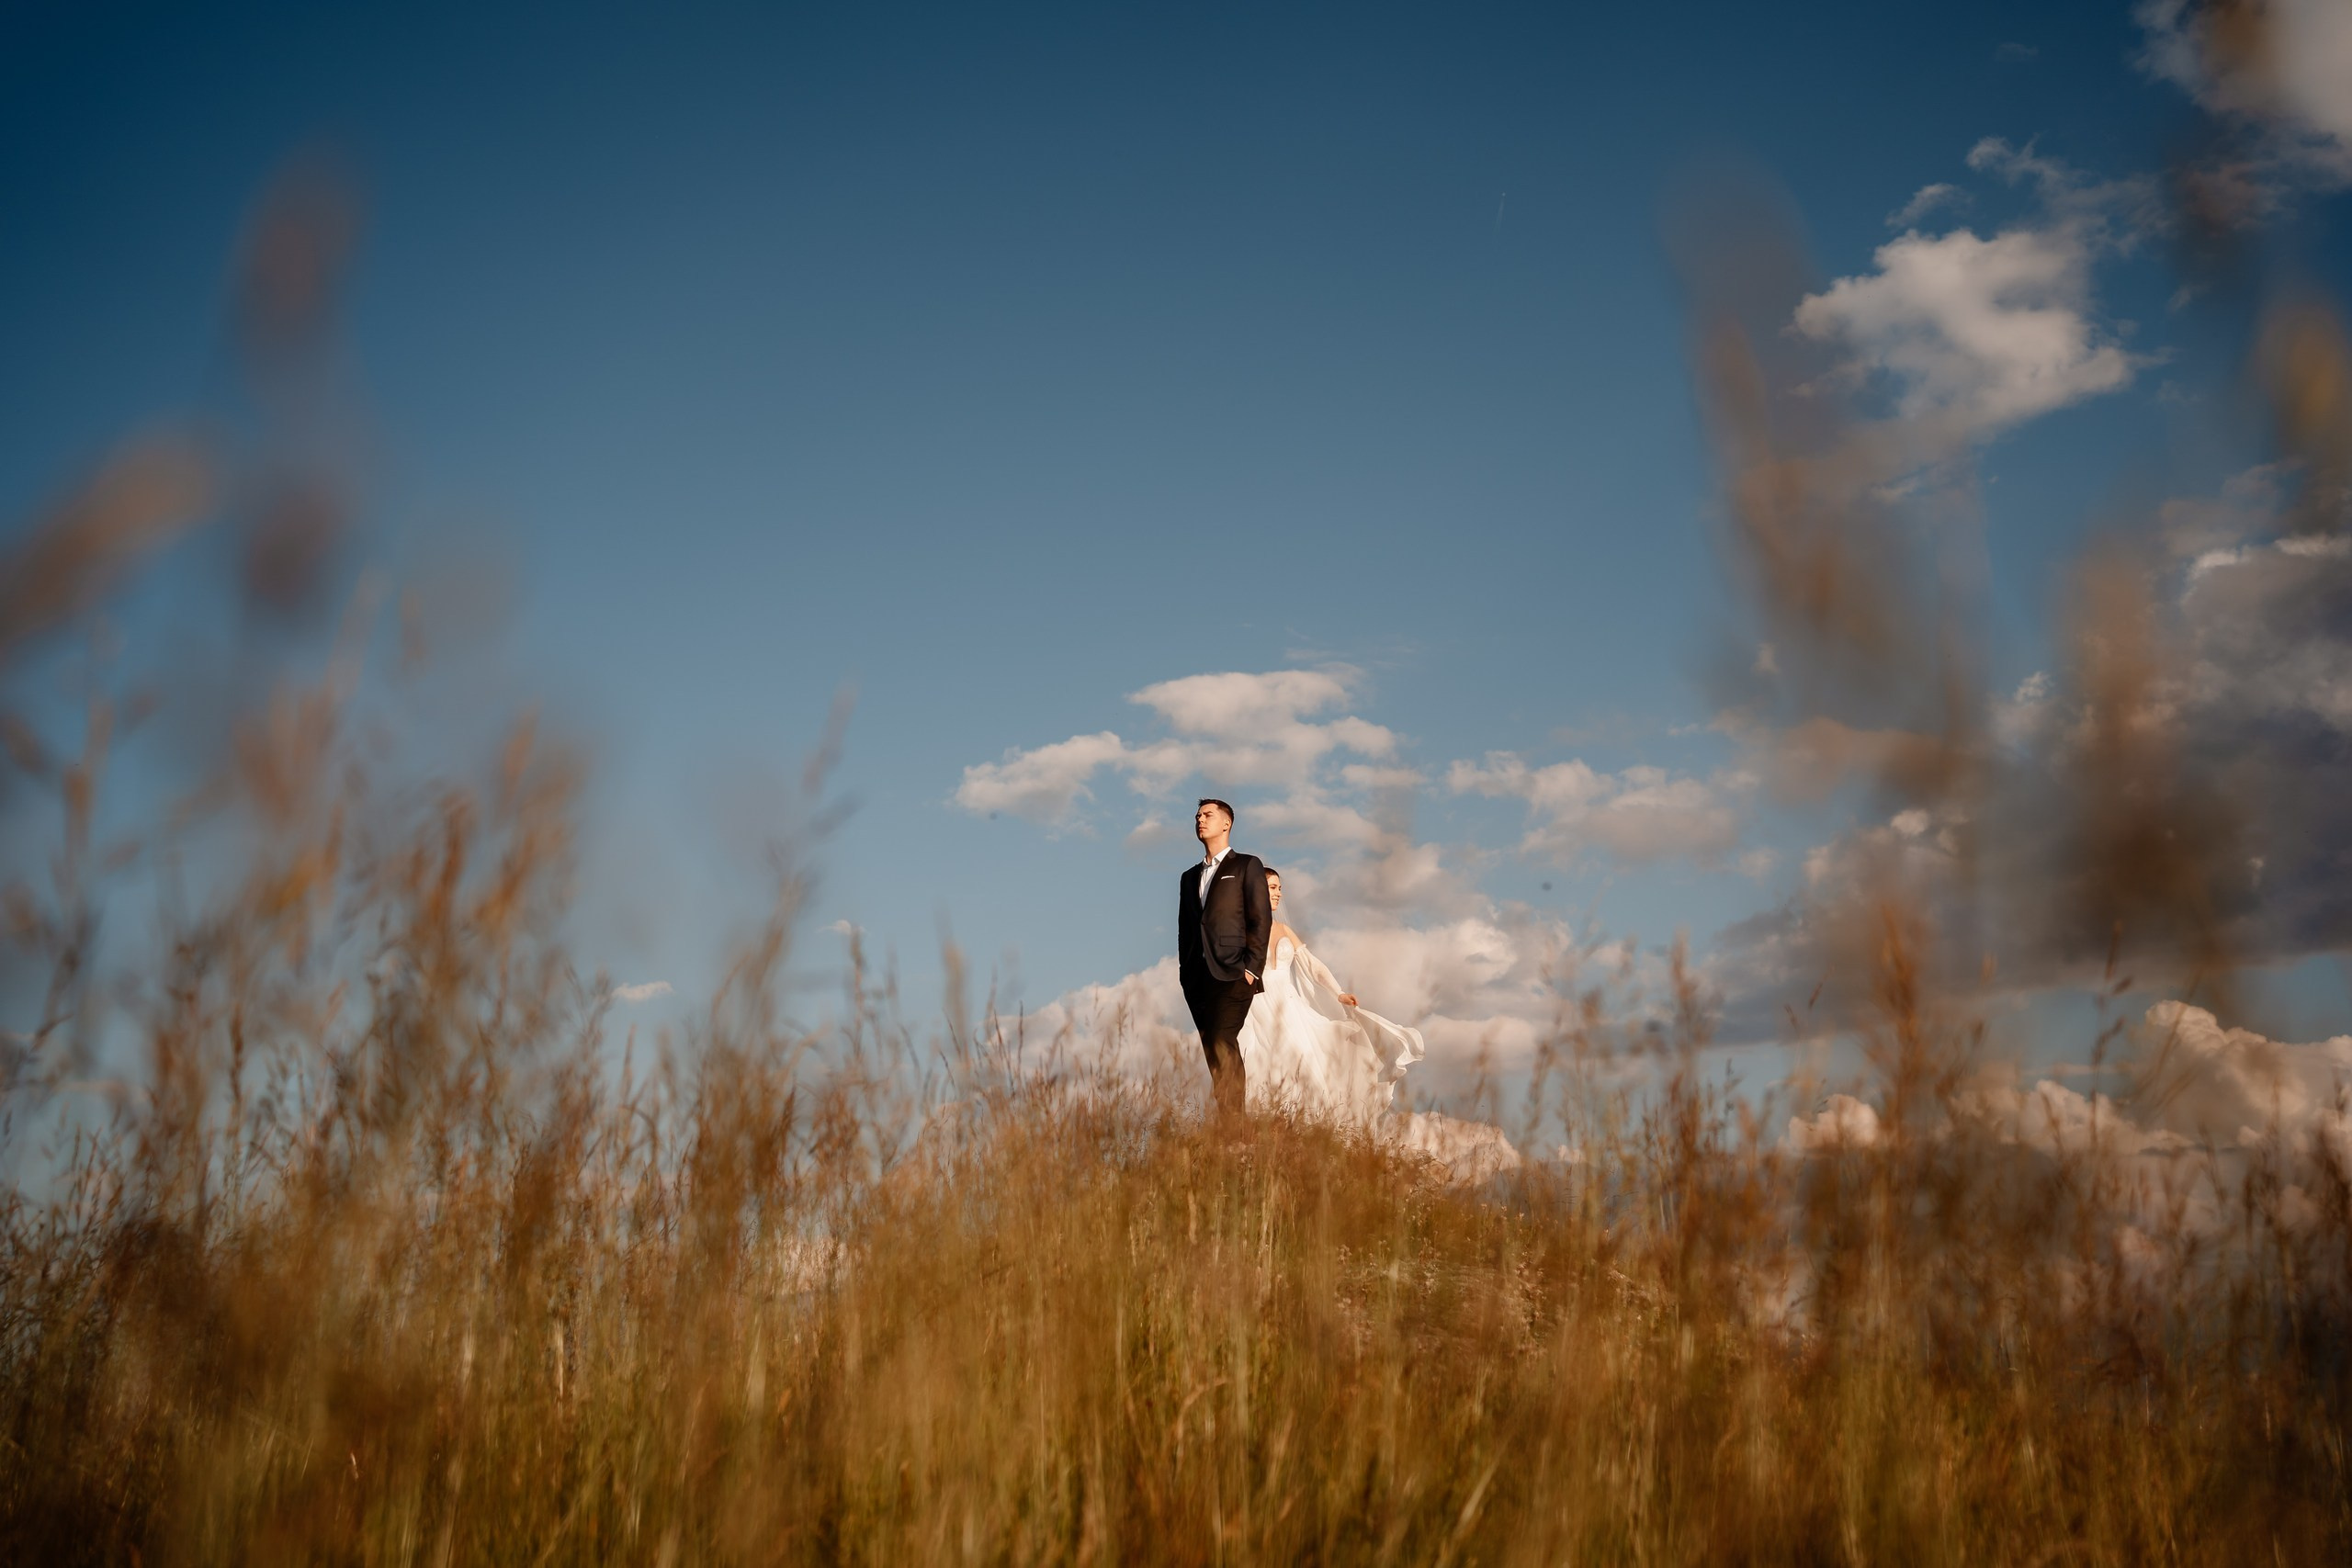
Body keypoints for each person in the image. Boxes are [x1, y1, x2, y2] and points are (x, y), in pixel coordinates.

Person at [1236, 867, 1425, 1121]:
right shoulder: (1239, 932)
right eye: (1273, 888)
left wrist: (1339, 994)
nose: (1279, 894)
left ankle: (1305, 1125)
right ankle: (1261, 1125)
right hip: (1255, 1005)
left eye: (1280, 888)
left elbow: (1313, 966)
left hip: (1287, 1006)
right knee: (1257, 1062)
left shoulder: (1284, 930)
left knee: (1300, 1059)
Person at [1176, 797, 1270, 1121]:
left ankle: (1235, 1126)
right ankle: (1227, 1120)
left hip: (1234, 973)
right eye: (1198, 815)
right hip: (1197, 978)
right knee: (1211, 1050)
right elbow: (1186, 929)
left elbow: (1260, 920)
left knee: (1222, 1040)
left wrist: (1251, 969)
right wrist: (1184, 974)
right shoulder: (1189, 877)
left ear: (1226, 823)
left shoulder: (1246, 865)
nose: (1200, 819)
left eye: (1208, 815)